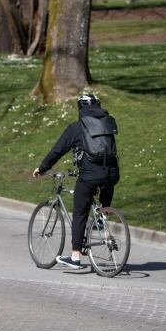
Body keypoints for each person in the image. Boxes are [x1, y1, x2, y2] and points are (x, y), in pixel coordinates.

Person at [32, 92, 120, 269]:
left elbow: (57, 151)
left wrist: (42, 169)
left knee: (80, 213)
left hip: (89, 175)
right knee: (103, 193)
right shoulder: (108, 124)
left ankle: (75, 257)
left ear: (80, 108)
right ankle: (102, 217)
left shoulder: (76, 128)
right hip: (112, 174)